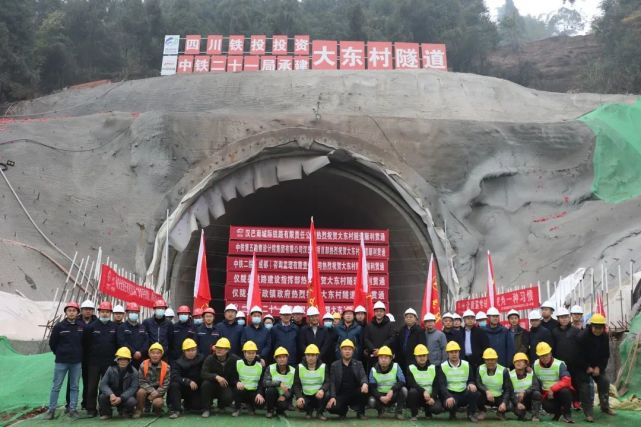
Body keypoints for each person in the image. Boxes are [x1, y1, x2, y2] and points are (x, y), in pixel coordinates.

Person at [45, 301, 84, 420]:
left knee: (74, 386)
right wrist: (60, 353)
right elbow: (52, 343)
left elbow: (84, 343)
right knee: (56, 386)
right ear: (66, 312)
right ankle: (51, 410)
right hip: (61, 362)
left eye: (74, 310)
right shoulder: (59, 327)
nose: (72, 312)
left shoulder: (81, 327)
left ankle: (73, 409)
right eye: (69, 310)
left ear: (77, 312)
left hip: (76, 362)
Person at [576, 313, 615, 422]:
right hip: (582, 366)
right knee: (585, 387)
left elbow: (605, 355)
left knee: (605, 381)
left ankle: (605, 407)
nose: (598, 330)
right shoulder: (582, 337)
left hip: (597, 366)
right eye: (595, 328)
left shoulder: (605, 337)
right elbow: (578, 355)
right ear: (591, 326)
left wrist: (599, 368)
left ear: (603, 328)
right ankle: (588, 413)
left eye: (600, 328)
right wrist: (587, 367)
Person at [83, 301, 118, 417]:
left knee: (107, 386)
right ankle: (91, 409)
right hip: (93, 362)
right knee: (92, 386)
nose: (105, 314)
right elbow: (86, 345)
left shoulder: (114, 327)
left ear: (110, 313)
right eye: (103, 312)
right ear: (99, 312)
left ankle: (105, 409)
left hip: (109, 363)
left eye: (107, 312)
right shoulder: (91, 327)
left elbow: (117, 344)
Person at [438, 341, 480, 422]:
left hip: (464, 393)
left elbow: (471, 379)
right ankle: (452, 413)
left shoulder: (467, 365)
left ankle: (471, 413)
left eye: (456, 352)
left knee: (475, 392)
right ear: (447, 353)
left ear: (459, 352)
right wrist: (448, 396)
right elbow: (442, 385)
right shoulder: (443, 366)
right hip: (451, 394)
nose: (454, 354)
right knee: (450, 403)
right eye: (451, 352)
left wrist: (471, 384)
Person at [326, 339, 369, 419]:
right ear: (341, 351)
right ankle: (343, 411)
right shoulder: (334, 365)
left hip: (355, 393)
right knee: (331, 407)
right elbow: (332, 383)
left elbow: (363, 376)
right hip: (341, 394)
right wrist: (332, 396)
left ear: (353, 351)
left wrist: (365, 383)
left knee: (365, 389)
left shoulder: (358, 364)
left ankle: (361, 413)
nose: (347, 351)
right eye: (345, 349)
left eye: (349, 349)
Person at [532, 342, 574, 423]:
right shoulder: (535, 365)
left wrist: (552, 389)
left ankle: (567, 414)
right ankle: (558, 413)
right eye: (542, 356)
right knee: (546, 406)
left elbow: (567, 380)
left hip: (558, 392)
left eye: (546, 355)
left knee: (565, 391)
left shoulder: (559, 364)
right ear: (538, 356)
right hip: (546, 394)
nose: (544, 358)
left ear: (550, 353)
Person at [200, 337, 238, 417]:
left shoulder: (234, 359)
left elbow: (245, 362)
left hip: (225, 386)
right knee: (205, 384)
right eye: (217, 347)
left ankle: (221, 405)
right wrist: (216, 377)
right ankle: (206, 409)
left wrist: (258, 359)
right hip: (212, 385)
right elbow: (203, 373)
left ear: (227, 350)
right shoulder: (209, 358)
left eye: (221, 348)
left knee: (228, 397)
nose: (218, 350)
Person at [69, 299, 96, 412]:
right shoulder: (75, 321)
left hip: (90, 358)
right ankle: (69, 404)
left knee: (88, 381)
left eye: (90, 310)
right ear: (81, 310)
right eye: (85, 309)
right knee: (72, 381)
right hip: (76, 356)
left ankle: (85, 403)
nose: (88, 312)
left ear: (93, 311)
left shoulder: (96, 323)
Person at [551, 307, 580, 408]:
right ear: (558, 319)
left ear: (569, 318)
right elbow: (553, 347)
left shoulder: (576, 331)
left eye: (566, 317)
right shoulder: (554, 332)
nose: (564, 319)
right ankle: (563, 402)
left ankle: (576, 401)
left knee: (575, 381)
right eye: (561, 317)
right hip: (560, 363)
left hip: (573, 361)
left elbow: (580, 346)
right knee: (561, 383)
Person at [168, 338, 204, 418]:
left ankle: (188, 404)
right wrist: (188, 381)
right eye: (188, 350)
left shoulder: (202, 359)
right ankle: (177, 410)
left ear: (196, 350)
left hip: (196, 388)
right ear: (184, 351)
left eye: (193, 350)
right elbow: (174, 376)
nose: (191, 352)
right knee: (174, 385)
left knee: (197, 407)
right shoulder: (178, 362)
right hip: (183, 387)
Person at [98, 347, 138, 419]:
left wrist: (121, 398)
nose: (123, 361)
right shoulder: (110, 369)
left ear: (129, 361)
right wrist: (111, 394)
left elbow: (133, 388)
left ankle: (125, 412)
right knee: (102, 397)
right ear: (117, 360)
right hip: (112, 395)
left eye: (125, 359)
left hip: (125, 396)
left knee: (132, 401)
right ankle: (107, 413)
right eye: (121, 359)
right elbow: (103, 384)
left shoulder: (134, 372)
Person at [368, 345, 406, 419]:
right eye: (381, 357)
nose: (383, 360)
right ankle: (380, 411)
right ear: (378, 358)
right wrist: (380, 397)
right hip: (380, 396)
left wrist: (392, 390)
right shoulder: (373, 369)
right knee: (371, 401)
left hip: (392, 395)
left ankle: (398, 412)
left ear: (391, 359)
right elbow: (372, 388)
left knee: (404, 390)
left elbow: (402, 381)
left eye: (386, 357)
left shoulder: (396, 366)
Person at [406, 344, 443, 421]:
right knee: (412, 392)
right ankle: (414, 414)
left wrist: (433, 397)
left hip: (430, 396)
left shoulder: (433, 368)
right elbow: (412, 384)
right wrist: (423, 391)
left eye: (424, 355)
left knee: (437, 409)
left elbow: (436, 385)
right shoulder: (410, 368)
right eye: (419, 356)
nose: (422, 358)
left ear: (427, 356)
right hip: (417, 396)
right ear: (415, 357)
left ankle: (428, 412)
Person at [293, 344, 329, 420]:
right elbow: (296, 385)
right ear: (305, 356)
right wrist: (299, 397)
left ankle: (320, 413)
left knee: (327, 394)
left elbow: (327, 382)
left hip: (319, 396)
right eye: (308, 355)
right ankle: (308, 411)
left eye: (313, 355)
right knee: (301, 404)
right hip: (306, 395)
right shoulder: (299, 367)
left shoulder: (323, 366)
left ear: (317, 356)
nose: (310, 357)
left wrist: (322, 390)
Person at [135, 342, 170, 418]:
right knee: (140, 392)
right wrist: (151, 391)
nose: (155, 355)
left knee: (158, 403)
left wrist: (157, 392)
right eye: (153, 353)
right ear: (149, 354)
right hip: (146, 388)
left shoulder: (166, 367)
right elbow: (141, 381)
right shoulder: (143, 364)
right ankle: (139, 410)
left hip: (158, 390)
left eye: (158, 353)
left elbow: (166, 384)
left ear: (161, 354)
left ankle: (157, 410)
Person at [232, 340, 265, 416]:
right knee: (237, 389)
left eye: (253, 353)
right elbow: (232, 377)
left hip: (254, 391)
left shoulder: (260, 366)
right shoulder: (238, 363)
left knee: (261, 404)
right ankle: (237, 408)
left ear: (256, 354)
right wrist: (237, 382)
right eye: (249, 353)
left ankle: (250, 406)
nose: (251, 355)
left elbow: (261, 382)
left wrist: (259, 393)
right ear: (244, 353)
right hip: (242, 390)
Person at [475, 348, 510, 420]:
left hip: (499, 396)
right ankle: (482, 410)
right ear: (484, 360)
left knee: (510, 405)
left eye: (492, 359)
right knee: (475, 395)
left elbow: (507, 389)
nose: (490, 362)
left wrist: (504, 402)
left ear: (496, 359)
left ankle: (500, 412)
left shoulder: (504, 370)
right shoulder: (480, 368)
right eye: (488, 360)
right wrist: (487, 391)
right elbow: (478, 383)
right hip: (485, 396)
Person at [363, 301, 396, 370]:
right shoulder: (369, 325)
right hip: (373, 355)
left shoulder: (389, 325)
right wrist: (373, 349)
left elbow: (392, 338)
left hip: (385, 356)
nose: (379, 313)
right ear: (374, 312)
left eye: (381, 311)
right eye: (377, 311)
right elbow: (366, 339)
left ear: (384, 312)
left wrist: (381, 350)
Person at [508, 352, 541, 421]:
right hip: (515, 400)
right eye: (516, 361)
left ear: (526, 364)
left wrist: (525, 392)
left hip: (528, 399)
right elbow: (508, 391)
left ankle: (535, 415)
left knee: (536, 393)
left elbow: (536, 386)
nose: (518, 363)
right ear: (513, 363)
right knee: (513, 407)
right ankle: (521, 413)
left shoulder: (531, 373)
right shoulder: (510, 375)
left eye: (521, 361)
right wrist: (517, 403)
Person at [263, 347, 295, 418]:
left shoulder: (293, 371)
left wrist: (285, 396)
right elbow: (265, 382)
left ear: (287, 358)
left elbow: (294, 387)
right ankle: (270, 411)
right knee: (270, 391)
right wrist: (279, 383)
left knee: (283, 405)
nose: (282, 359)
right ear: (275, 359)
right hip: (273, 394)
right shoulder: (270, 368)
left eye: (284, 357)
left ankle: (279, 411)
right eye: (279, 357)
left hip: (285, 396)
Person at [396, 308, 425, 374]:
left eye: (411, 317)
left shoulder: (420, 331)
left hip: (414, 360)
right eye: (407, 317)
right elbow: (398, 345)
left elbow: (422, 346)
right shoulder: (401, 330)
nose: (408, 318)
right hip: (402, 360)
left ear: (415, 319)